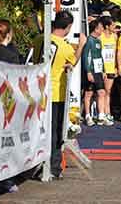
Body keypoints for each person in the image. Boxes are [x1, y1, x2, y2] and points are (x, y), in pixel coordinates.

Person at [50, 10, 86, 179]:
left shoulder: (39, 39)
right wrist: (81, 46)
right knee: (56, 132)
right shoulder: (64, 48)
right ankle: (53, 167)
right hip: (56, 94)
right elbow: (73, 62)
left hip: (40, 91)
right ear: (69, 27)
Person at [81, 19, 108, 127]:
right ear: (96, 28)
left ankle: (101, 116)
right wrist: (88, 72)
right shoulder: (89, 40)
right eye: (101, 27)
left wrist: (103, 70)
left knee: (102, 92)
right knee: (89, 93)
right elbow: (86, 56)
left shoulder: (98, 41)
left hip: (98, 71)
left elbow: (100, 56)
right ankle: (88, 116)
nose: (102, 29)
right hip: (91, 71)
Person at [100, 16, 118, 124]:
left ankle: (107, 113)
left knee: (108, 91)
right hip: (102, 68)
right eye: (112, 25)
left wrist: (116, 66)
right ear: (107, 26)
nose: (114, 27)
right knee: (100, 92)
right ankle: (101, 113)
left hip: (111, 67)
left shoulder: (115, 36)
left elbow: (115, 52)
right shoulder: (100, 36)